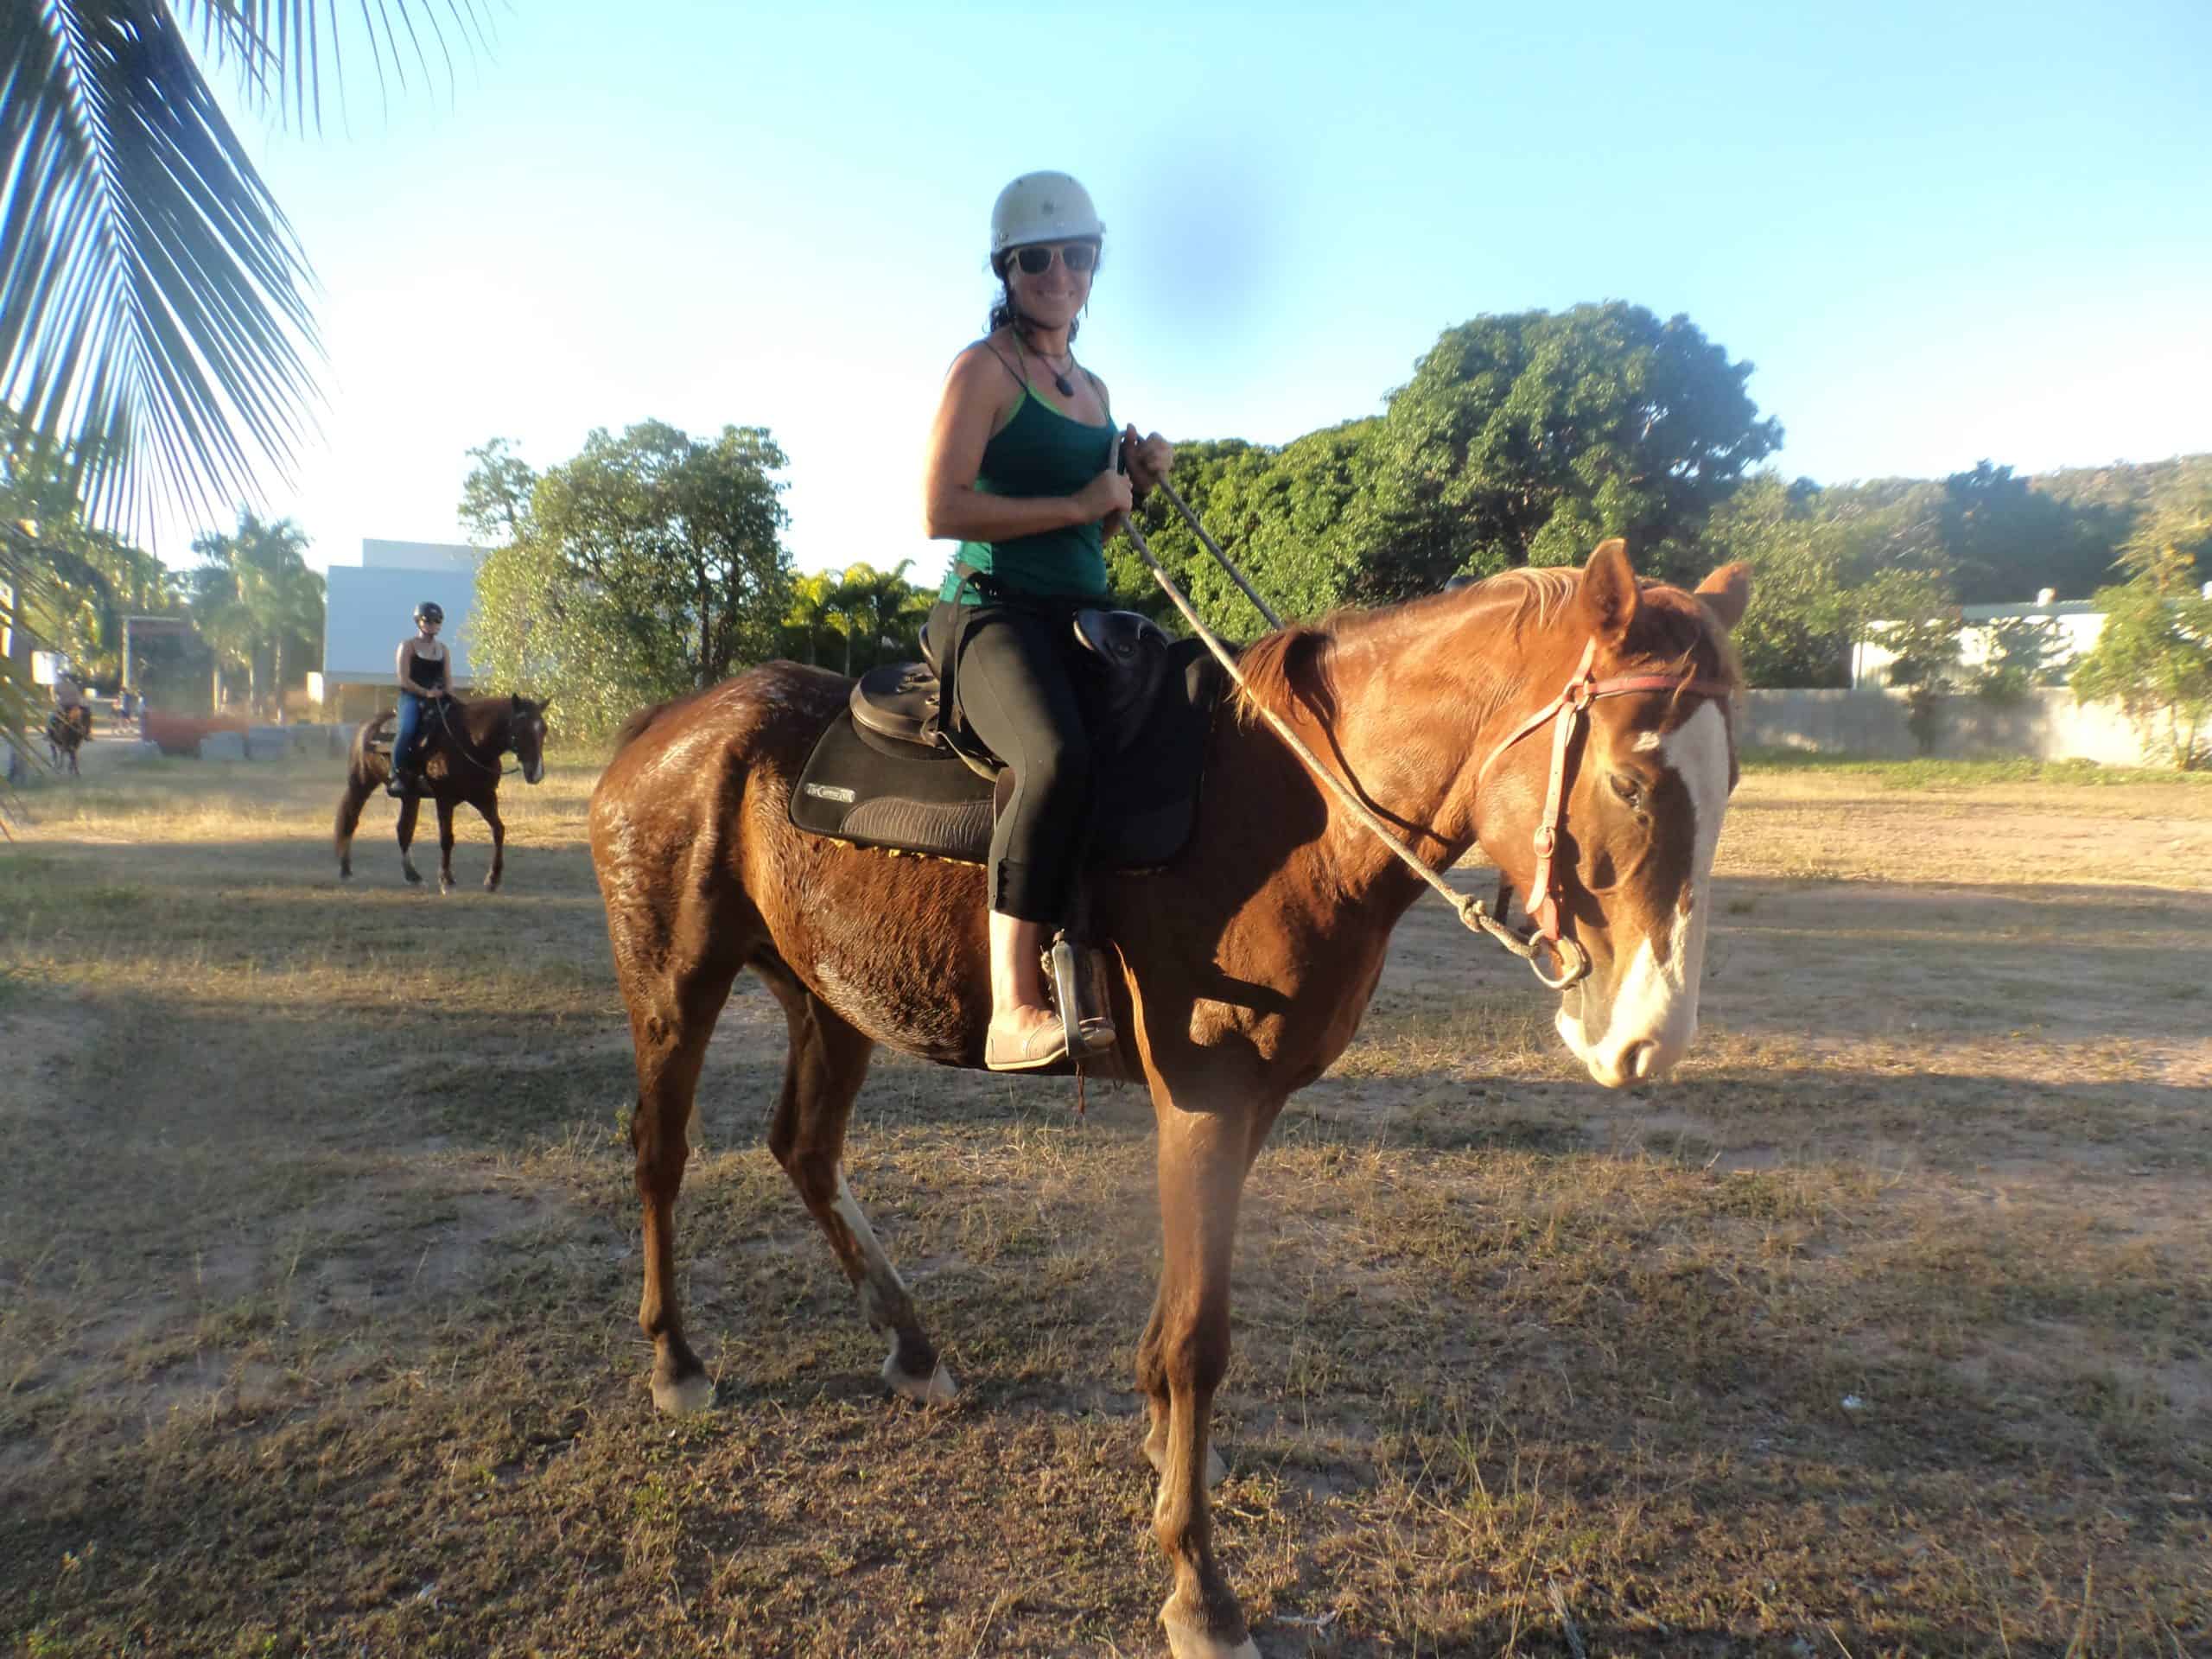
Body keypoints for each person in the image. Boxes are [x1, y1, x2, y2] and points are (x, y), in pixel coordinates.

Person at [920, 170, 1173, 1071]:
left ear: (1095, 264)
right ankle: (1012, 1006)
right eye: (1037, 258)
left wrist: (1130, 484)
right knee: (1054, 757)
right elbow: (941, 509)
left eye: (1077, 255)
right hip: (989, 612)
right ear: (1007, 268)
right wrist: (1078, 502)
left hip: (1081, 613)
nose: (1058, 273)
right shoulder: (981, 370)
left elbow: (1100, 520)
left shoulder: (1092, 386)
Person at [387, 601, 451, 798]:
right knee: (407, 729)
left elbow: (448, 678)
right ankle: (397, 774)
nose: (432, 624)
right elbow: (404, 679)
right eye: (428, 620)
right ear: (418, 621)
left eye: (436, 620)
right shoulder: (408, 646)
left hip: (438, 697)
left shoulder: (443, 649)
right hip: (412, 697)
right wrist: (425, 693)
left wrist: (447, 692)